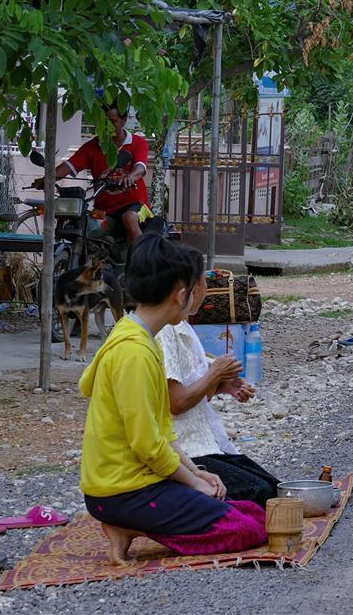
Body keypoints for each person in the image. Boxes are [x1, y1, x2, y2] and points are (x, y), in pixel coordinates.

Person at [79, 234, 266, 566]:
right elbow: (147, 444)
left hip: (136, 482)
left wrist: (198, 473)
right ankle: (128, 525)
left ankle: (130, 525)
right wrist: (194, 483)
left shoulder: (135, 335)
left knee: (251, 510)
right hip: (121, 490)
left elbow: (161, 431)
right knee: (246, 529)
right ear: (182, 295)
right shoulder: (134, 352)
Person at [156, 274, 281, 509]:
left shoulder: (180, 325)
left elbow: (190, 383)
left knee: (273, 487)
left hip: (201, 441)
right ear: (186, 292)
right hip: (183, 448)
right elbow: (176, 402)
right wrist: (214, 375)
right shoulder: (164, 331)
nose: (205, 290)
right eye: (204, 283)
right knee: (261, 494)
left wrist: (222, 383)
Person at [35, 103, 152, 245]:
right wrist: (47, 179)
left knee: (129, 218)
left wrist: (129, 177)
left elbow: (140, 167)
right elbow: (68, 165)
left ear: (124, 120)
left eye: (112, 121)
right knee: (84, 228)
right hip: (104, 209)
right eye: (102, 122)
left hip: (136, 205)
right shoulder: (91, 147)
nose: (107, 126)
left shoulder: (138, 142)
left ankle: (138, 263)